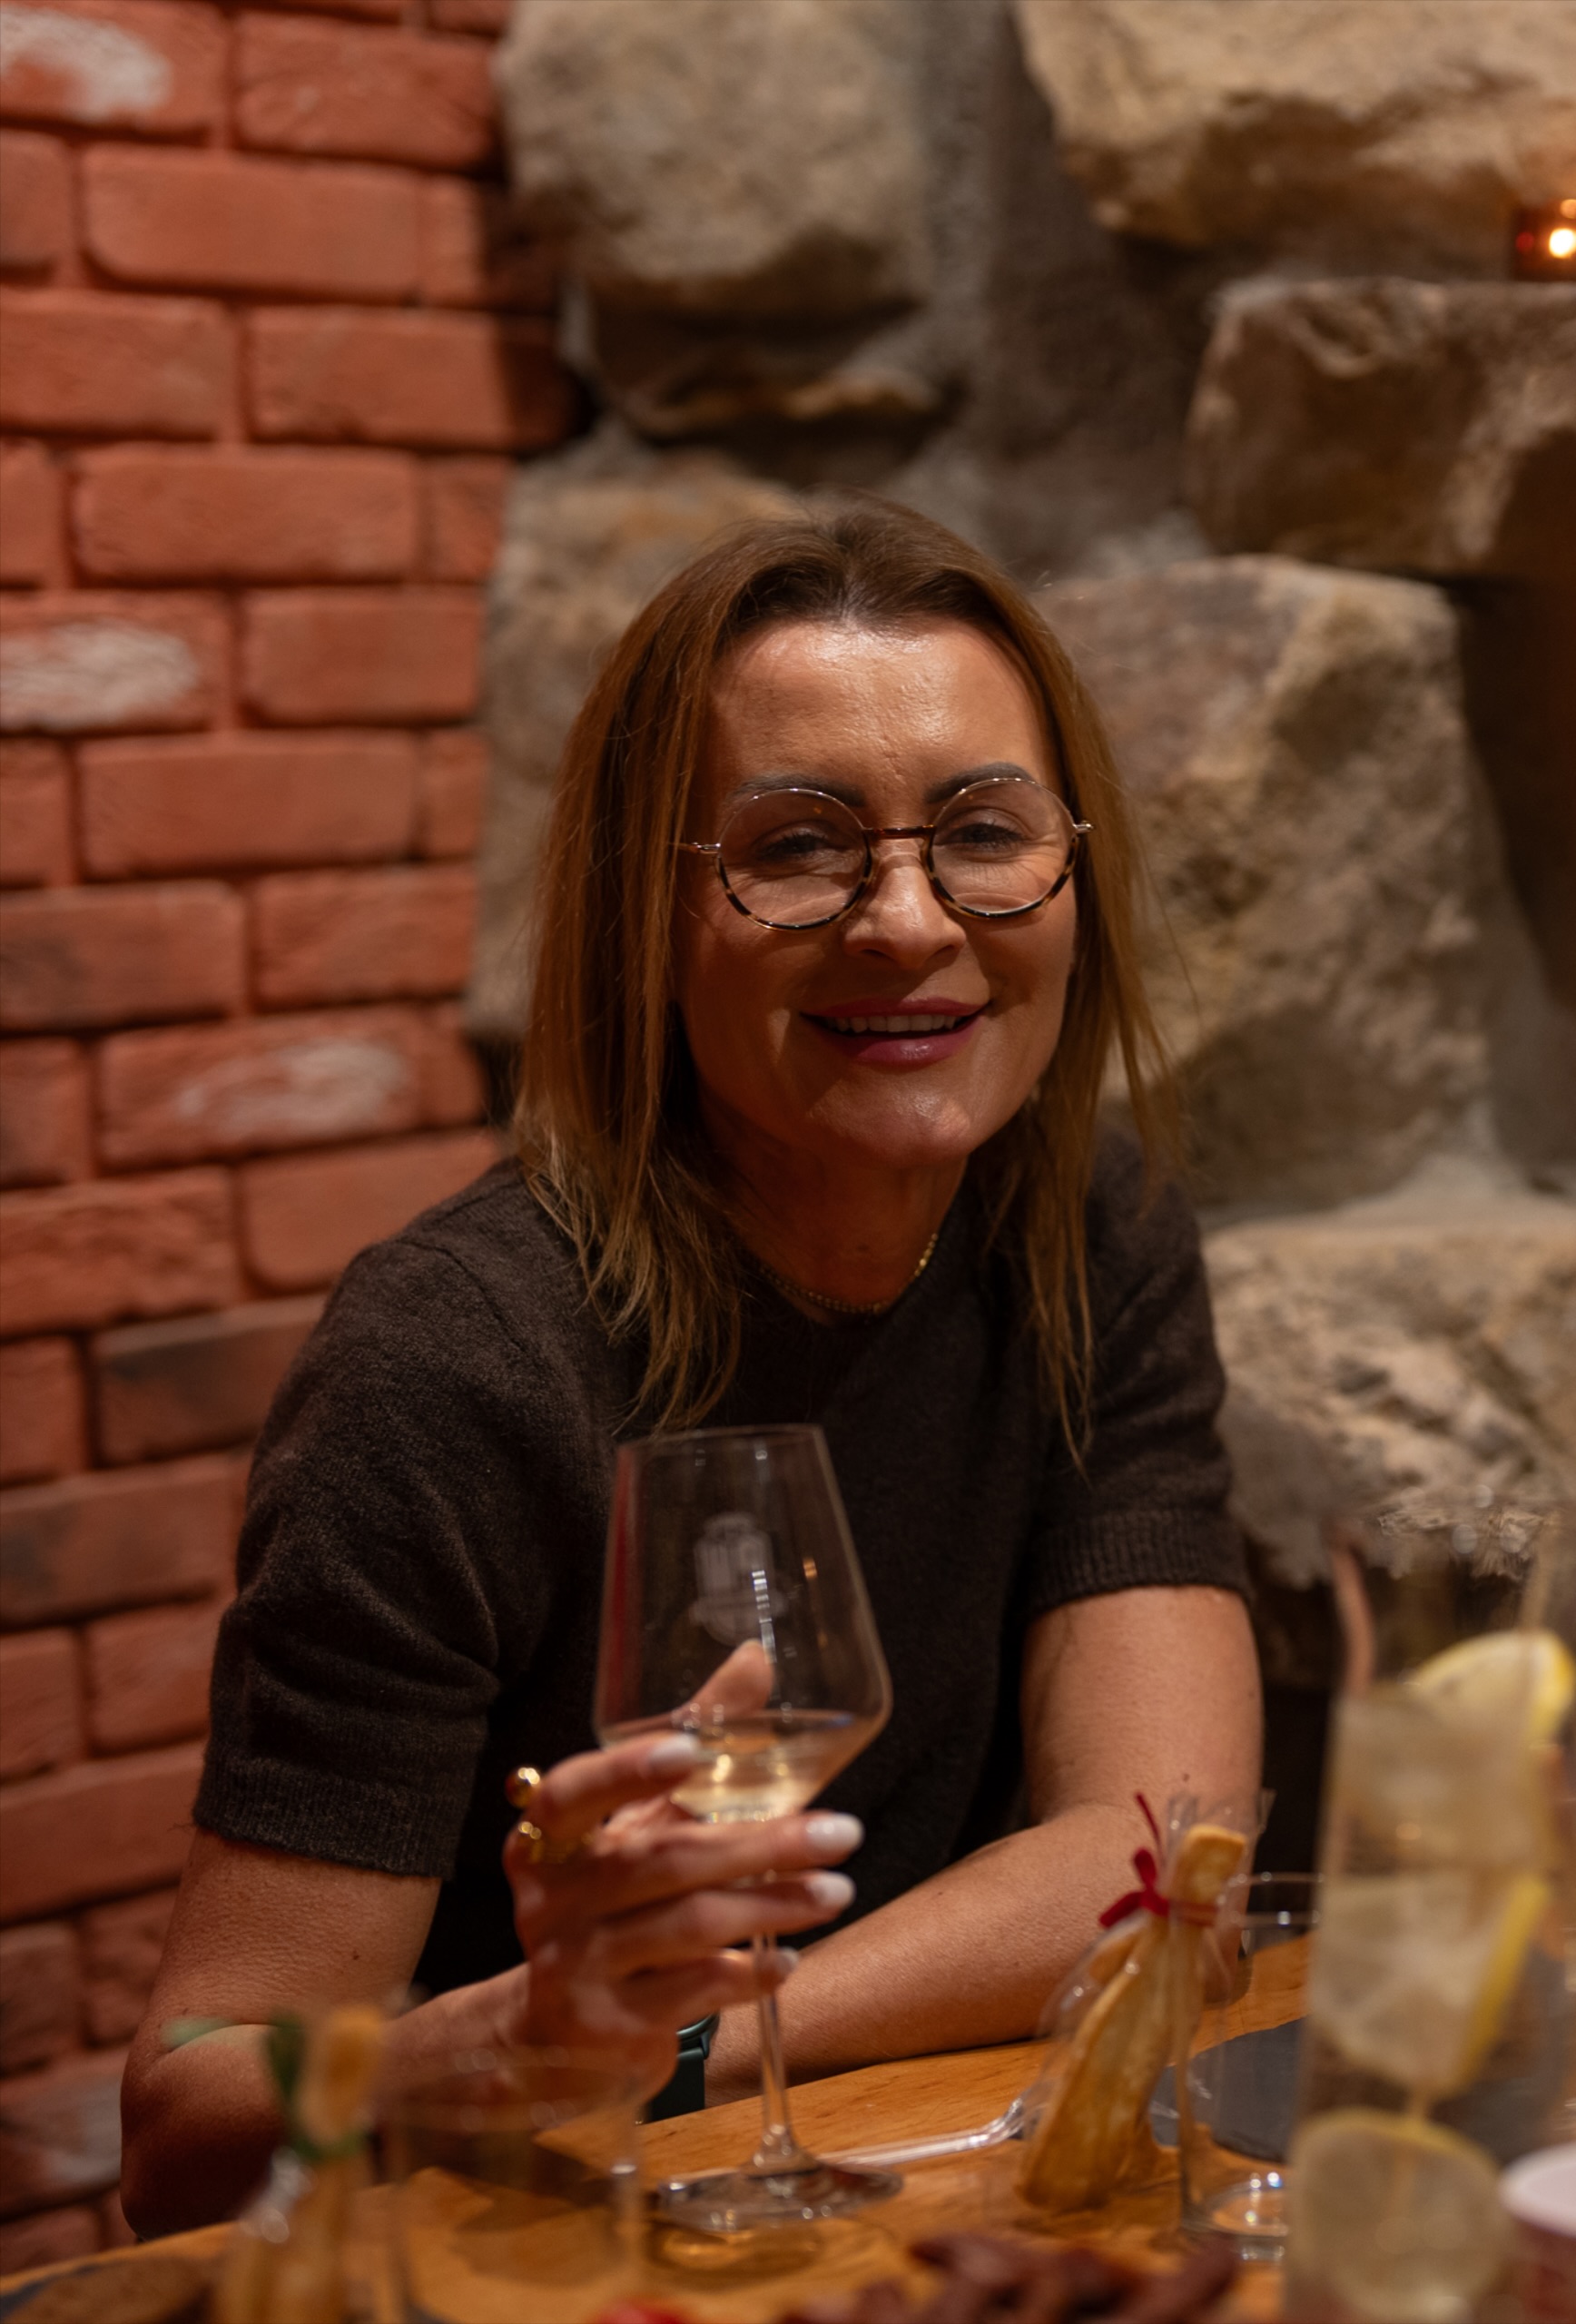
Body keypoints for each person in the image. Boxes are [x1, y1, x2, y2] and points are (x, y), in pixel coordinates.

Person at [121, 499, 1263, 2232]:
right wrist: (524, 2040)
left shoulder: (1089, 1234)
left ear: (1073, 873)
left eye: (983, 832)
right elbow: (188, 2125)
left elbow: (1169, 1853)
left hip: (912, 2199)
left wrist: (692, 2046)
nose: (907, 921)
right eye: (797, 846)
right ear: (645, 916)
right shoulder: (455, 1360)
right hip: (535, 2246)